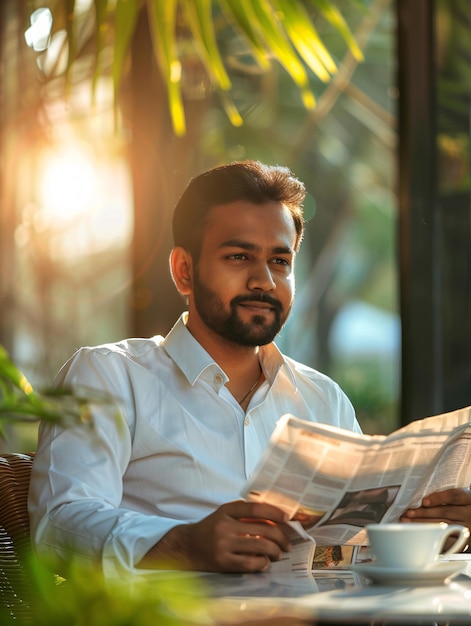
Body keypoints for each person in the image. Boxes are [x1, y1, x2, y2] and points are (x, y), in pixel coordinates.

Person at [28, 161, 471, 577]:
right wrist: (182, 544)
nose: (264, 280)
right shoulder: (108, 375)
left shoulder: (323, 398)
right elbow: (58, 523)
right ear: (184, 270)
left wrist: (432, 527)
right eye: (239, 257)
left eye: (280, 261)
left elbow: (351, 550)